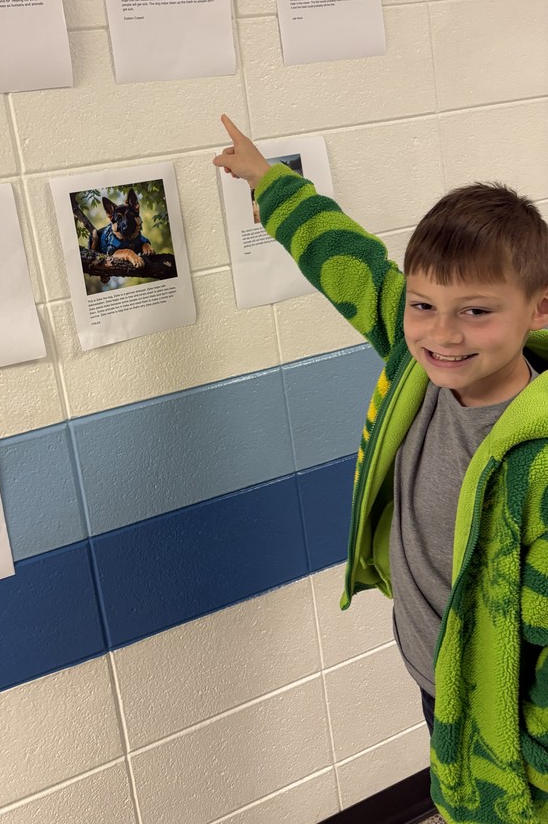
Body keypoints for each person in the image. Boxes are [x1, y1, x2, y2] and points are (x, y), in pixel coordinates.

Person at [214, 114, 548, 824]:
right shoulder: (414, 362)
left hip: (510, 725)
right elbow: (351, 263)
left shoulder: (541, 460)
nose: (442, 333)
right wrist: (272, 183)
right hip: (440, 681)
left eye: (477, 311)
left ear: (538, 310)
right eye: (425, 306)